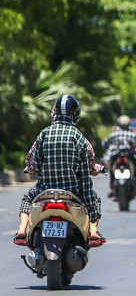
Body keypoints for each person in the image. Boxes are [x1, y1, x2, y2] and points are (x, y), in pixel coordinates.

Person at [13, 95, 105, 247]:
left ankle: (22, 229)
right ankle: (94, 231)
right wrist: (93, 214)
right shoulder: (79, 138)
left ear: (54, 112)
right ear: (75, 114)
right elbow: (87, 169)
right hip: (73, 191)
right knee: (94, 198)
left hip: (44, 190)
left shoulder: (44, 133)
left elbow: (32, 160)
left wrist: (35, 170)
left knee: (27, 199)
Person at [103, 115, 136, 197]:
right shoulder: (132, 134)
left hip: (116, 155)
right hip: (128, 155)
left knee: (111, 169)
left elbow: (106, 144)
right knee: (134, 165)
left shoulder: (114, 134)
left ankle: (112, 186)